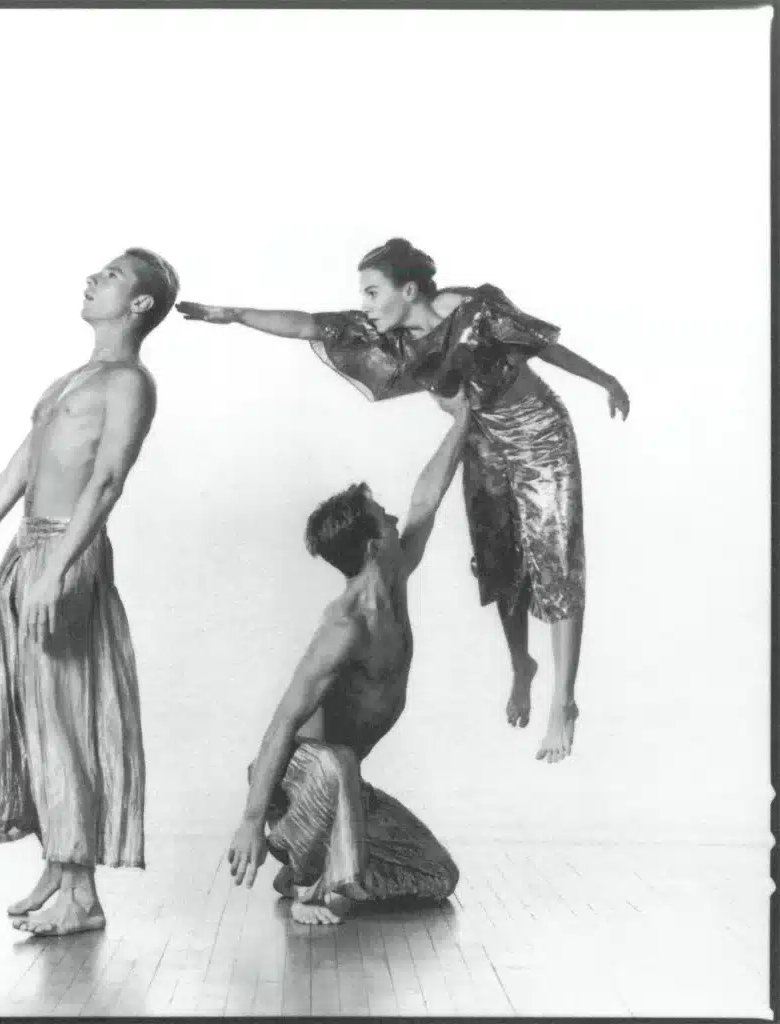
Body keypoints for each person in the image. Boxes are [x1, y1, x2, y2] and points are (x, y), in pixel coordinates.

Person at [178, 238, 630, 764]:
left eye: (373, 292)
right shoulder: (388, 334)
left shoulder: (471, 311)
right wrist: (235, 315)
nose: (365, 305)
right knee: (500, 558)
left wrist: (605, 380)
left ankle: (564, 702)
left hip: (539, 434)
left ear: (408, 290)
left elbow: (541, 346)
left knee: (554, 559)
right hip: (481, 440)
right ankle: (521, 665)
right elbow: (308, 324)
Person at [0, 247, 179, 936]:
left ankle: (82, 894)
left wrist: (62, 566)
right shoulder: (74, 377)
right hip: (29, 550)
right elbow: (12, 478)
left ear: (140, 304)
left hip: (67, 552)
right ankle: (59, 870)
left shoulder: (128, 382)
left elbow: (109, 477)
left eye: (113, 276)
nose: (93, 278)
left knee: (62, 721)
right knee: (30, 720)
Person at [226, 390, 470, 925]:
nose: (392, 520)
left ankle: (305, 866)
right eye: (382, 519)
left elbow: (427, 498)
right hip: (297, 780)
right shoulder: (344, 627)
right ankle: (319, 887)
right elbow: (282, 725)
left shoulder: (396, 577)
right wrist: (249, 820)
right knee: (337, 760)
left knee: (435, 875)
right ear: (369, 546)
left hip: (341, 790)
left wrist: (463, 422)